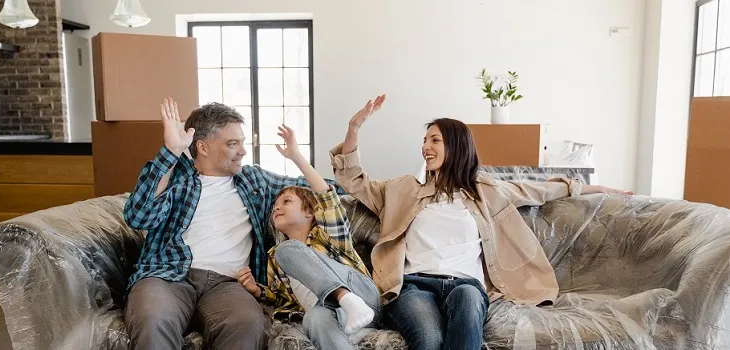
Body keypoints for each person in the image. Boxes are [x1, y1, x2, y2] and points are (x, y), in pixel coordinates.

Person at [329, 94, 633, 350]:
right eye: (424, 140)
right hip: (413, 286)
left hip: (464, 284)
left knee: (468, 299)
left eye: (435, 140)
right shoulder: (402, 189)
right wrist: (354, 128)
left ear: (457, 146)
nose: (426, 146)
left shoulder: (485, 191)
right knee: (429, 338)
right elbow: (352, 179)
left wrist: (597, 189)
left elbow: (541, 188)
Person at [122, 98, 335, 350]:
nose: (243, 151)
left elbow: (323, 190)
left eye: (241, 142)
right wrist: (171, 152)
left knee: (247, 323)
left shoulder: (254, 180)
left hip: (228, 283)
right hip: (168, 275)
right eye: (233, 144)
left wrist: (366, 185)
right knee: (152, 319)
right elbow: (138, 216)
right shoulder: (176, 175)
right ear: (203, 147)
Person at [238, 125, 381, 350]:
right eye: (275, 205)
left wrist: (295, 156)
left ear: (309, 212)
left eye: (286, 202)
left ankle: (345, 297)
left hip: (363, 296)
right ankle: (342, 302)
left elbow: (326, 197)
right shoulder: (276, 257)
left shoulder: (329, 235)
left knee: (289, 249)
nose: (277, 208)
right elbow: (283, 298)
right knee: (313, 318)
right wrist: (258, 291)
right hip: (326, 310)